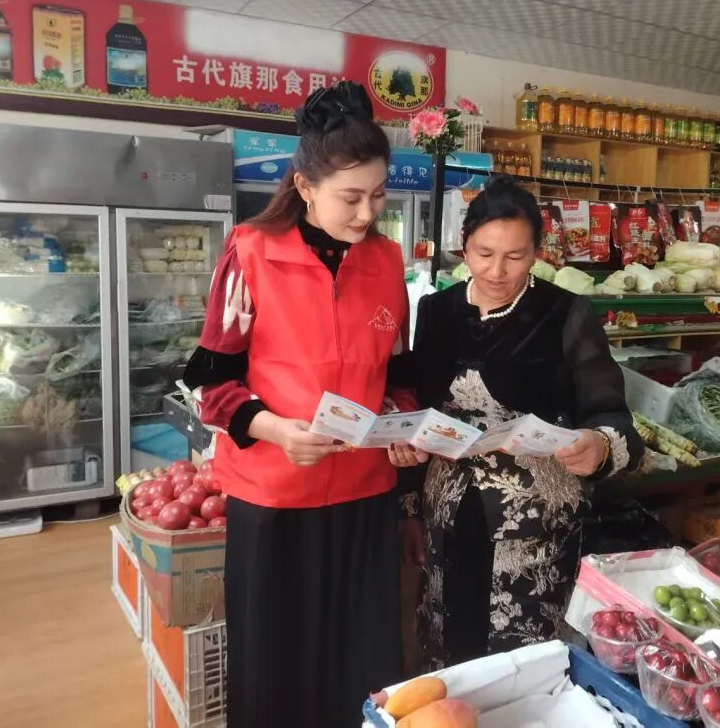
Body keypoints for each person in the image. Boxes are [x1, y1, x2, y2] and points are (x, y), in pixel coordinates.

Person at [183, 81, 423, 727]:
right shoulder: (251, 252)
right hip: (274, 497)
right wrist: (275, 430)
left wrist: (399, 421)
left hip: (364, 494)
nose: (367, 213)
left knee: (361, 658)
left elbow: (399, 370)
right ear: (305, 186)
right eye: (351, 197)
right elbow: (212, 382)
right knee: (276, 663)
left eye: (378, 196)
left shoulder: (385, 261)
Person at [395, 175, 644, 670]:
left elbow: (611, 413)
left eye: (515, 256)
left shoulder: (565, 313)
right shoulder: (437, 311)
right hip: (449, 513)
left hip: (536, 525)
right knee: (451, 649)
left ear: (536, 252)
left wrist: (598, 444)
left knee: (525, 662)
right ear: (464, 245)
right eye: (484, 253)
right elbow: (421, 409)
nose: (497, 270)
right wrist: (410, 508)